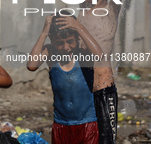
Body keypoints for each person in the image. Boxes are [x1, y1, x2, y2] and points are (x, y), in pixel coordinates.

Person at [60, 0, 127, 143]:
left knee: (106, 139)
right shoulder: (83, 3)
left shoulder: (111, 7)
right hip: (79, 80)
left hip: (102, 86)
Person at [27, 12, 102, 144]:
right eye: (60, 43)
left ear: (77, 38)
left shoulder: (83, 55)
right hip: (61, 124)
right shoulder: (51, 54)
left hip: (87, 123)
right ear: (52, 41)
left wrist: (79, 27)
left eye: (70, 41)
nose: (66, 47)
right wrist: (44, 32)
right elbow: (32, 65)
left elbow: (99, 56)